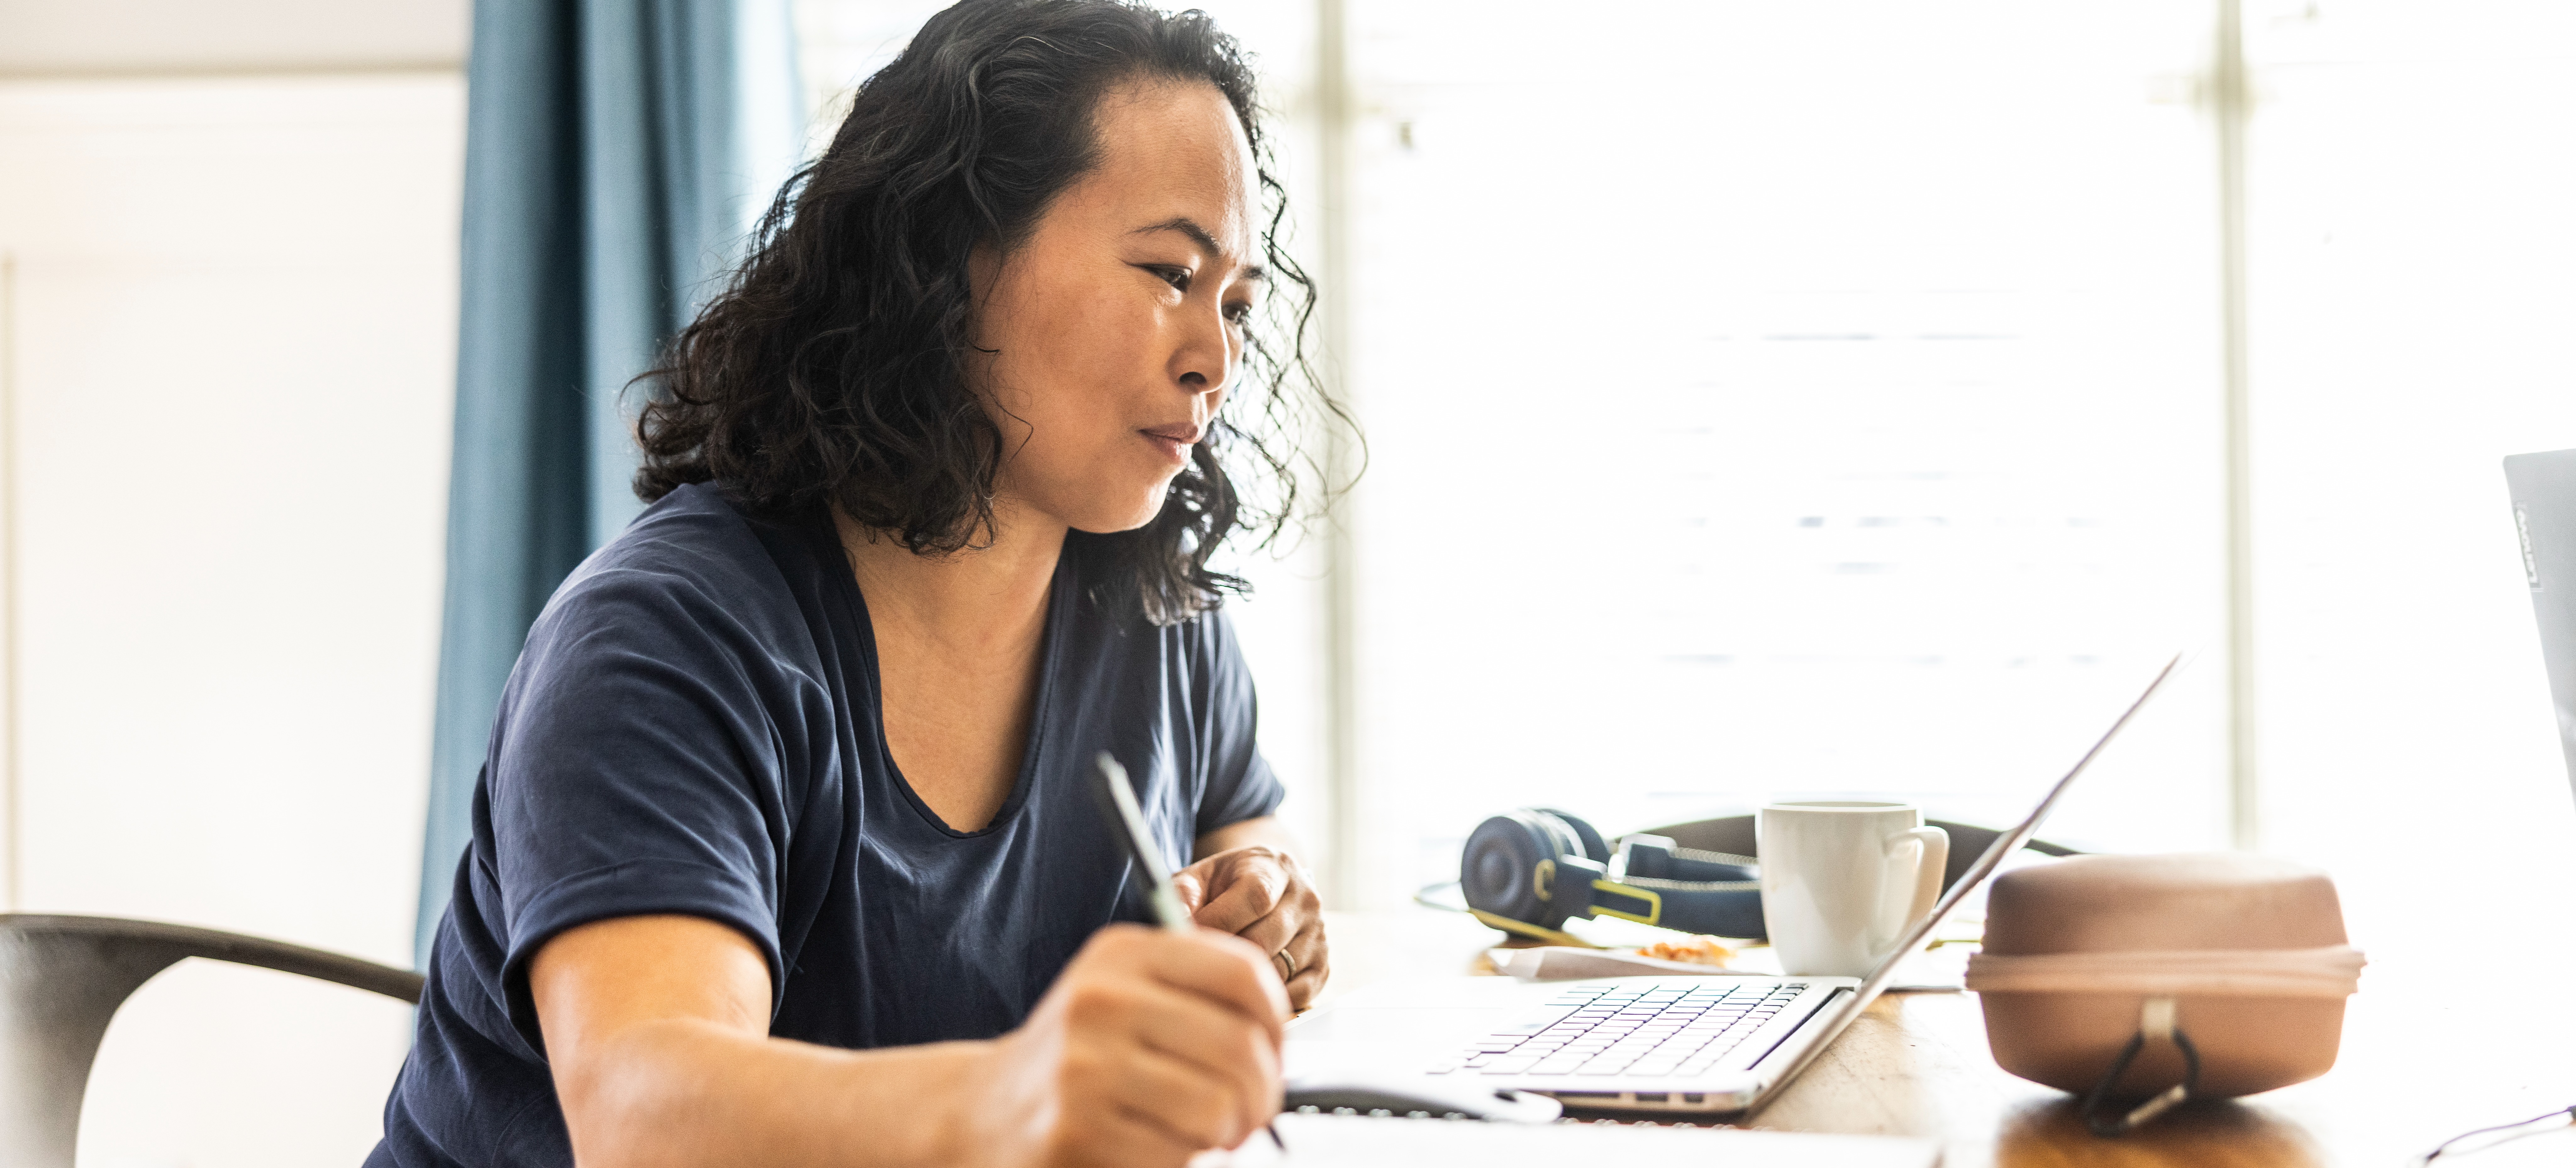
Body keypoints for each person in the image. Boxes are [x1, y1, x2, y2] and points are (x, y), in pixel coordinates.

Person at [369, 2, 1349, 1164]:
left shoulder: (1150, 607)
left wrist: (1271, 909)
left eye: (1235, 303)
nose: (1216, 359)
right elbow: (647, 1118)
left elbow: (1254, 848)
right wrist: (1015, 1096)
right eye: (1168, 272)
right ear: (952, 255)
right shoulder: (665, 641)